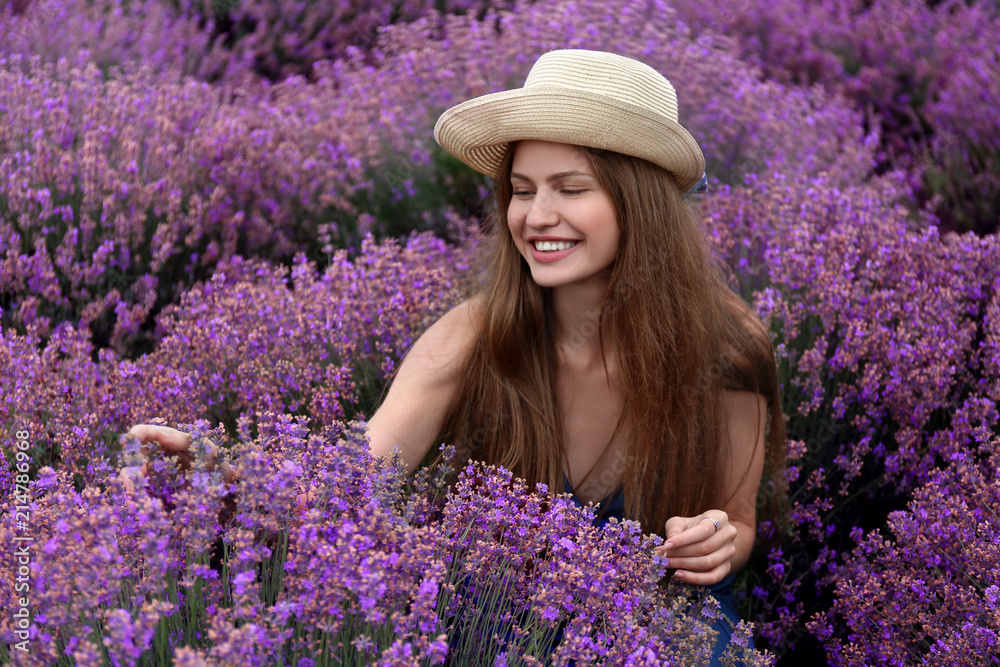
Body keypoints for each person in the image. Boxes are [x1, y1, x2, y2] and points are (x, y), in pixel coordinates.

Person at [126, 49, 785, 663]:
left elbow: (739, 522)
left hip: (661, 618)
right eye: (523, 190)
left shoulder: (726, 348)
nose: (538, 215)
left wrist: (716, 539)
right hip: (508, 614)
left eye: (571, 187)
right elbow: (358, 473)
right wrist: (224, 471)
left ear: (639, 201)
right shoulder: (473, 335)